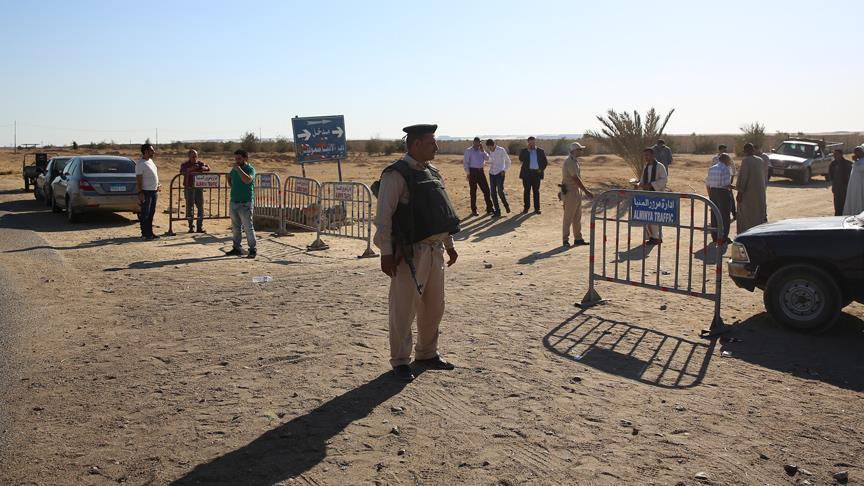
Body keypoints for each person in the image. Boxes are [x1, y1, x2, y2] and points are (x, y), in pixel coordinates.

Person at [374, 124, 461, 383]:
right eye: (431, 142)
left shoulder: (433, 173)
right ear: (415, 144)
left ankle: (427, 353)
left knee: (434, 307)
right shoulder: (395, 174)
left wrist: (449, 245)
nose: (436, 147)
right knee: (403, 309)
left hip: (435, 252)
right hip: (410, 253)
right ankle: (400, 361)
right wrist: (386, 253)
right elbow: (383, 218)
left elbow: (441, 214)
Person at [225, 149, 257, 258]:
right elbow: (229, 177)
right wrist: (231, 184)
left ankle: (252, 249)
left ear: (245, 158)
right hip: (234, 201)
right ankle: (236, 248)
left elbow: (248, 180)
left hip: (245, 203)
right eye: (236, 159)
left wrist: (239, 169)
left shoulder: (250, 169)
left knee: (248, 227)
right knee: (235, 227)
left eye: (239, 158)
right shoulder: (234, 169)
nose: (237, 161)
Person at [561, 142, 593, 247]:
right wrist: (586, 191)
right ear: (574, 151)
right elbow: (575, 178)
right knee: (568, 217)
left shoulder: (574, 161)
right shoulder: (570, 162)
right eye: (579, 150)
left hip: (575, 191)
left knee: (577, 217)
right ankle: (565, 240)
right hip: (570, 192)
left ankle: (578, 238)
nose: (581, 151)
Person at [637, 148, 668, 245]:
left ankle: (657, 237)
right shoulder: (645, 167)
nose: (646, 157)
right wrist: (639, 185)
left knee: (655, 218)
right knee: (647, 217)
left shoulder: (660, 166)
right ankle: (651, 237)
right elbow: (642, 180)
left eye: (647, 155)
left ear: (653, 155)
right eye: (644, 155)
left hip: (656, 195)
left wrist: (651, 185)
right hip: (646, 196)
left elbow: (664, 180)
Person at [735, 143, 768, 234]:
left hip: (748, 194)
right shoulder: (760, 160)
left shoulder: (746, 161)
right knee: (758, 214)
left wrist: (739, 193)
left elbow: (743, 178)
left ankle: (745, 235)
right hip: (760, 194)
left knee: (746, 216)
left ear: (745, 152)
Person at [705, 153, 734, 244]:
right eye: (729, 160)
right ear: (725, 160)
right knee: (725, 215)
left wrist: (710, 195)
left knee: (714, 214)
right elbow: (726, 184)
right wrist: (736, 188)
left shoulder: (712, 168)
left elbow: (707, 183)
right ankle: (723, 237)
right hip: (723, 193)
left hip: (713, 192)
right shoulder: (725, 169)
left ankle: (715, 236)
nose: (729, 162)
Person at [179, 149, 211, 233]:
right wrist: (191, 169)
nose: (194, 158)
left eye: (195, 156)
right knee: (190, 207)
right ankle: (191, 227)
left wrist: (201, 168)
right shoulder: (185, 164)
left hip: (198, 188)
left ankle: (199, 226)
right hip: (189, 187)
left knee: (200, 207)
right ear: (189, 157)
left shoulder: (200, 163)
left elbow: (208, 168)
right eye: (192, 156)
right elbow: (182, 172)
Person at [135, 143, 160, 240]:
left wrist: (157, 184)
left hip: (154, 191)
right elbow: (139, 179)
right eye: (151, 150)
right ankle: (145, 234)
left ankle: (150, 232)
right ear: (146, 151)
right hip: (146, 192)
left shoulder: (150, 161)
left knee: (151, 213)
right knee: (145, 213)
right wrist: (140, 192)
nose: (154, 152)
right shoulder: (140, 164)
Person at [463, 136, 493, 216]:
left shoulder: (481, 150)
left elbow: (487, 159)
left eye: (478, 142)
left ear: (480, 143)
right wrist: (468, 173)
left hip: (481, 172)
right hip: (472, 172)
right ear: (473, 142)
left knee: (486, 190)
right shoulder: (468, 151)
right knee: (473, 191)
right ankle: (474, 210)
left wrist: (483, 151)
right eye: (476, 142)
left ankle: (489, 208)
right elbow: (466, 163)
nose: (477, 144)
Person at [518, 136, 548, 214]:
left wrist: (540, 169)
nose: (532, 144)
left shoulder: (540, 151)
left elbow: (545, 162)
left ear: (535, 142)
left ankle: (537, 208)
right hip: (527, 174)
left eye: (533, 142)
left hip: (536, 174)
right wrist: (528, 151)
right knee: (526, 191)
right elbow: (521, 159)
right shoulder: (524, 151)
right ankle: (526, 208)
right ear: (528, 143)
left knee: (536, 191)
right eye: (530, 143)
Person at [486, 139, 511, 217]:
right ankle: (497, 211)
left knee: (500, 191)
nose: (490, 149)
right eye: (488, 148)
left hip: (500, 174)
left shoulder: (501, 150)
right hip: (492, 174)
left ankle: (506, 205)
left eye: (490, 147)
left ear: (494, 145)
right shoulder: (490, 151)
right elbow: (490, 161)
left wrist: (504, 170)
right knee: (493, 193)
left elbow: (508, 161)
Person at [828, 148, 852, 216]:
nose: (835, 155)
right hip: (836, 186)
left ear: (841, 154)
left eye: (836, 154)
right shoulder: (833, 164)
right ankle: (837, 215)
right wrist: (833, 185)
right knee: (837, 202)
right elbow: (831, 175)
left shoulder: (847, 163)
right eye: (834, 154)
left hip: (845, 187)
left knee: (844, 201)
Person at [843, 146, 864, 215]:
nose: (855, 154)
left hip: (861, 185)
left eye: (857, 152)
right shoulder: (857, 161)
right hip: (853, 186)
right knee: (853, 199)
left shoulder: (862, 161)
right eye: (855, 152)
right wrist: (855, 161)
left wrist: (856, 161)